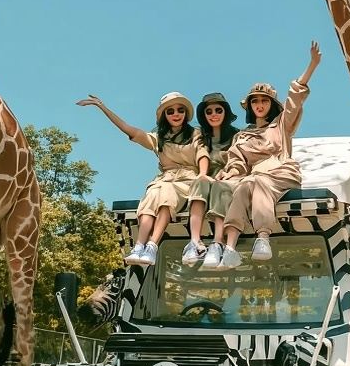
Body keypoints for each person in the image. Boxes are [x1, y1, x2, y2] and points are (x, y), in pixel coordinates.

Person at [202, 42, 321, 270]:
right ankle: (230, 249)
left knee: (257, 182)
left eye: (264, 100)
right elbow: (237, 163)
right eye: (255, 101)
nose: (259, 104)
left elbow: (295, 99)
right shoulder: (242, 136)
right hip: (253, 177)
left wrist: (311, 66)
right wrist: (227, 174)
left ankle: (263, 237)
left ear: (271, 104)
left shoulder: (281, 125)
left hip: (280, 171)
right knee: (243, 186)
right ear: (249, 106)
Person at [77, 91, 204, 267]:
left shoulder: (196, 135)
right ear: (164, 116)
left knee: (166, 195)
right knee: (152, 195)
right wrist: (102, 107)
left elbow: (204, 157)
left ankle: (152, 245)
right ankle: (139, 246)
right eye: (170, 111)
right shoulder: (158, 139)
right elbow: (128, 129)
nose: (176, 114)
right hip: (164, 180)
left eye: (180, 110)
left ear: (186, 113)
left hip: (188, 180)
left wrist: (205, 176)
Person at [182, 92, 239, 266]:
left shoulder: (237, 136)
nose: (214, 114)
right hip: (205, 178)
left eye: (218, 110)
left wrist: (228, 172)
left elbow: (240, 160)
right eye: (209, 111)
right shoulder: (199, 137)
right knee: (200, 182)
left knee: (221, 187)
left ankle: (218, 242)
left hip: (230, 178)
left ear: (225, 112)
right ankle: (195, 242)